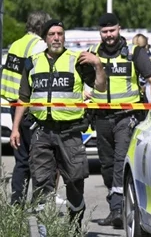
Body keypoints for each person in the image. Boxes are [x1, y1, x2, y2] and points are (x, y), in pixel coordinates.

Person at [9, 19, 107, 229]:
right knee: (42, 184)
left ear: (64, 37)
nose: (56, 38)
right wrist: (16, 128)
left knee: (74, 183)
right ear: (45, 38)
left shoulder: (77, 61)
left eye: (60, 34)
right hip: (41, 132)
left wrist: (98, 65)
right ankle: (46, 232)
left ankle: (73, 226)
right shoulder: (32, 62)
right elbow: (23, 98)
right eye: (52, 34)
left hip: (70, 133)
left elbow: (100, 87)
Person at [87, 13, 151, 228]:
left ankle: (119, 209)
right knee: (107, 166)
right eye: (104, 31)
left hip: (126, 117)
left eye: (112, 30)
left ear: (119, 28)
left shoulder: (134, 52)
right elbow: (81, 82)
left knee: (121, 161)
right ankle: (115, 206)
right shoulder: (92, 54)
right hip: (101, 117)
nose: (109, 35)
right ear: (100, 33)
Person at [1, 11, 50, 205]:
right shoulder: (38, 46)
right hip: (30, 109)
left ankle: (17, 203)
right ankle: (39, 203)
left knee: (21, 160)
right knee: (39, 157)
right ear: (43, 27)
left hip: (15, 107)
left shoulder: (16, 44)